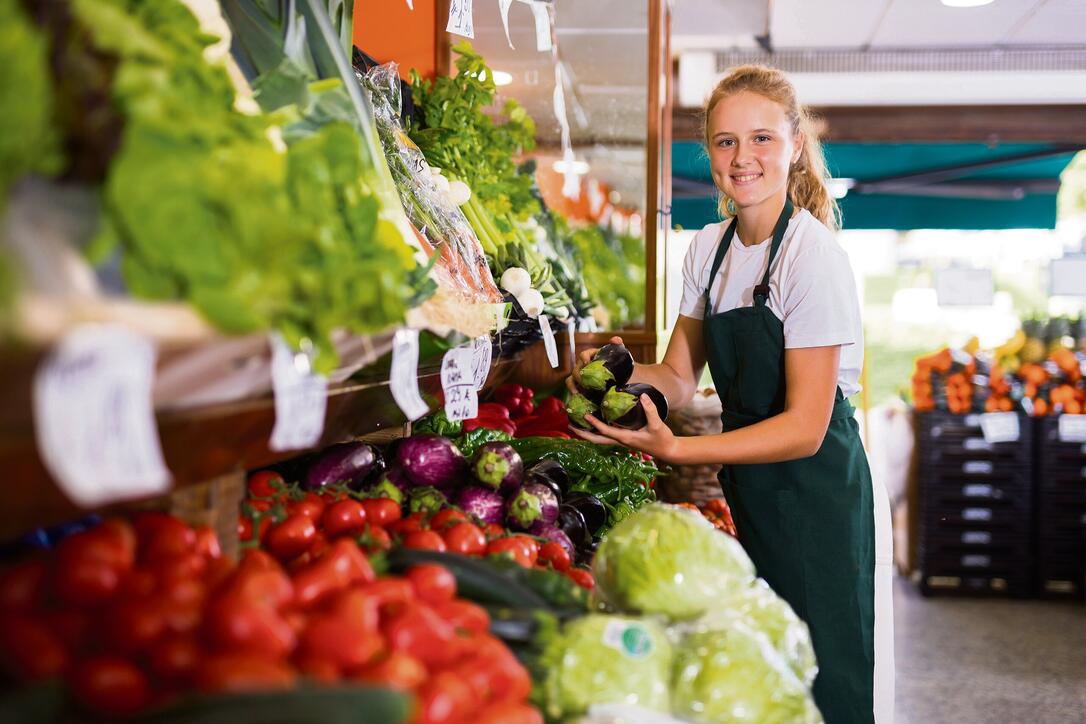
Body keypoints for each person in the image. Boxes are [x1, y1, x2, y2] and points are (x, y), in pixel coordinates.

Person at [569, 65, 893, 724]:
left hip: (819, 490)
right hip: (755, 489)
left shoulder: (811, 256)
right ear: (709, 151)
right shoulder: (708, 250)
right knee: (762, 662)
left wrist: (681, 451)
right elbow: (679, 375)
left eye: (762, 139)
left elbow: (805, 425)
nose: (742, 158)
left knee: (825, 676)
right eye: (724, 142)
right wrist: (608, 374)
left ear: (795, 145)